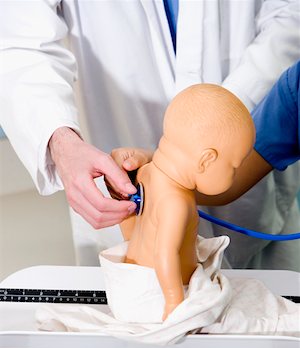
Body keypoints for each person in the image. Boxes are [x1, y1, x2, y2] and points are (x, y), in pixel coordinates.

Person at [0, 1, 299, 268]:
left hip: (256, 218)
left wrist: (214, 123)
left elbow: (290, 17)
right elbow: (19, 40)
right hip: (147, 278)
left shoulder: (289, 99)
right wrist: (61, 143)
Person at [121, 84, 255, 319]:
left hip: (135, 283)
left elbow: (129, 218)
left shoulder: (146, 172)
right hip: (161, 296)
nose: (236, 174)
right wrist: (174, 302)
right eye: (234, 166)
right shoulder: (177, 203)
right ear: (206, 160)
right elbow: (165, 253)